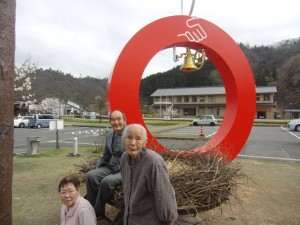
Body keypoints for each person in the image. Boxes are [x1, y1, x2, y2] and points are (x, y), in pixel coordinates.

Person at [120, 124, 178, 225]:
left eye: (138, 139)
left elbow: (164, 197)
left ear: (144, 142)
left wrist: (167, 220)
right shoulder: (124, 158)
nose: (133, 143)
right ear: (124, 139)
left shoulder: (154, 162)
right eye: (129, 137)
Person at [85, 110, 126, 219]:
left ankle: (97, 211)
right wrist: (97, 168)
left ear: (124, 120)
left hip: (127, 169)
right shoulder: (109, 135)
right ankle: (89, 207)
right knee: (90, 176)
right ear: (110, 122)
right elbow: (105, 156)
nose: (116, 122)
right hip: (112, 166)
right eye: (113, 120)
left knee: (107, 181)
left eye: (119, 119)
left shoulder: (131, 133)